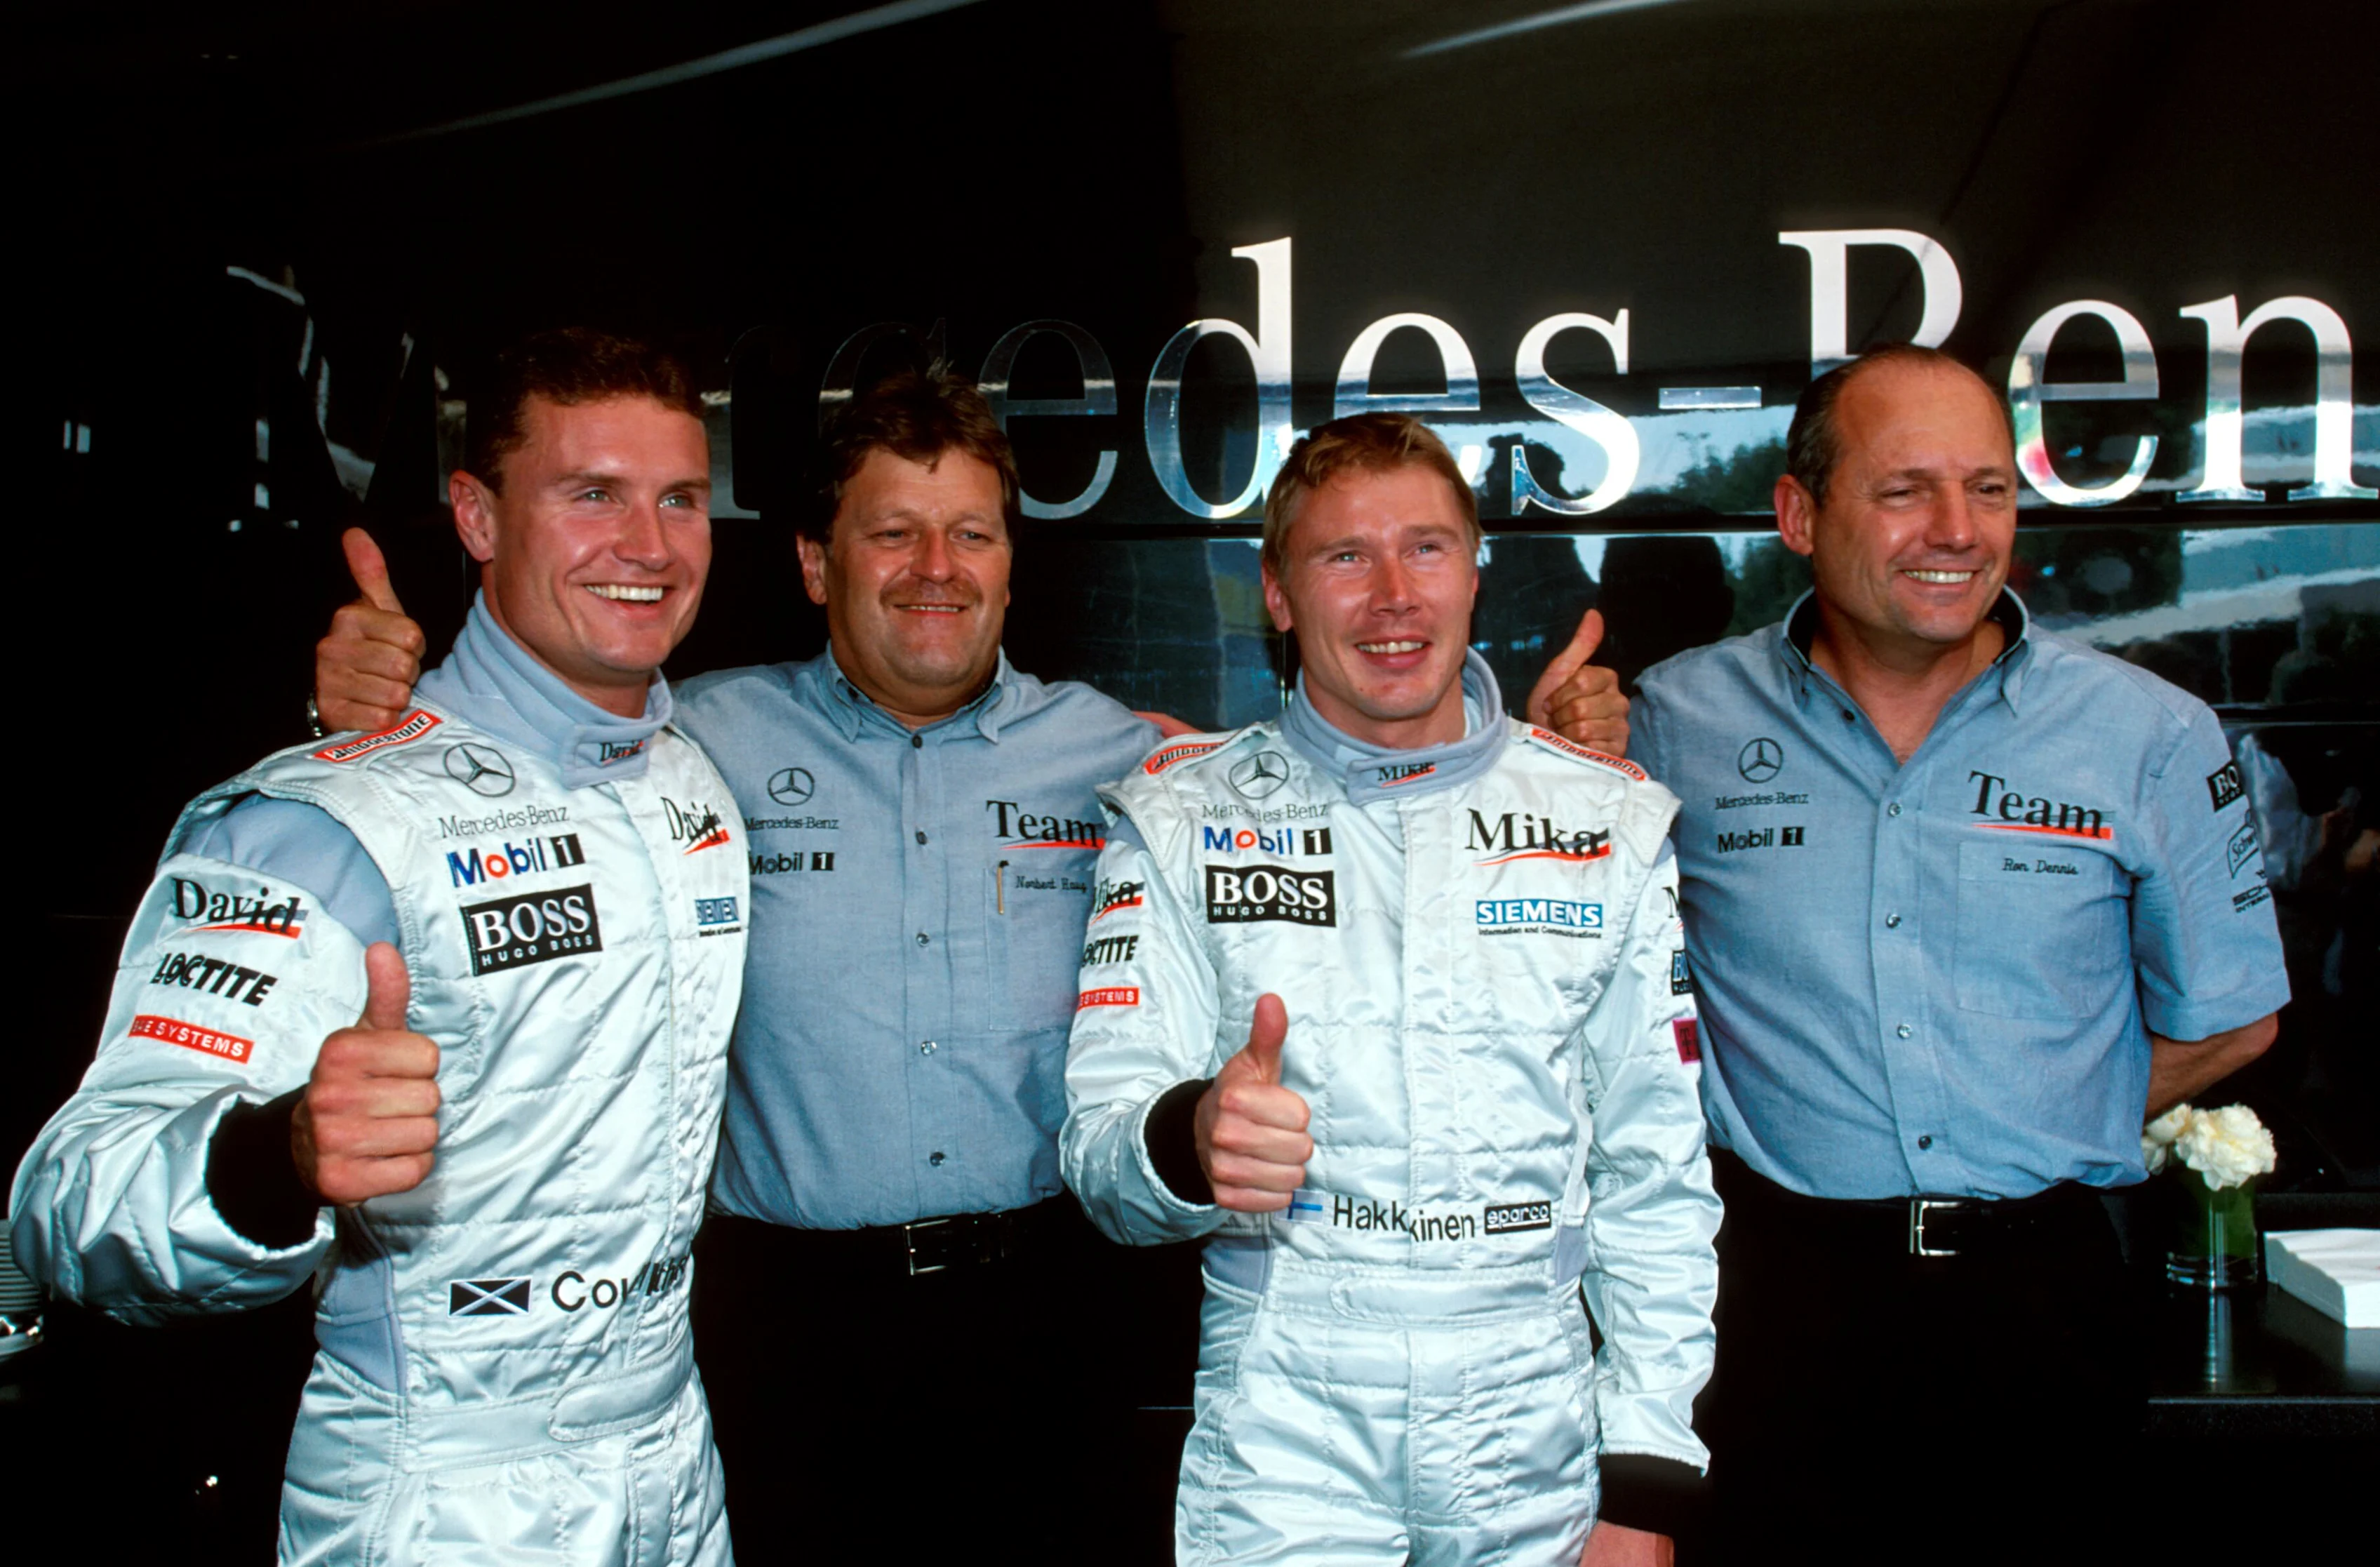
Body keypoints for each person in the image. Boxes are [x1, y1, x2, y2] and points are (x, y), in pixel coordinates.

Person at [316, 367, 1637, 1560]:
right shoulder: (687, 742)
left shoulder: (1127, 757)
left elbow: (1342, 768)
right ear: (818, 564)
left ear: (1013, 566)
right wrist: (379, 691)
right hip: (787, 1333)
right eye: (891, 531)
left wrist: (1526, 742)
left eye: (973, 533)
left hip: (1058, 1317)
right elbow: (520, 766)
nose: (934, 566)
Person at [11, 328, 748, 1565]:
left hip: (677, 1452)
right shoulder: (330, 821)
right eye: (591, 496)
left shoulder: (695, 790)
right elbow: (67, 1204)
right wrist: (273, 1153)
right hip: (440, 1484)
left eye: (679, 498)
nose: (650, 546)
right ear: (476, 516)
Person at [1540, 345, 2290, 1556]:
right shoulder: (1674, 726)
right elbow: (1568, 995)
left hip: (2044, 1302)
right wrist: (1560, 783)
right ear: (1798, 513)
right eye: (1904, 490)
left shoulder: (2148, 734)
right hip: (1770, 1302)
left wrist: (2042, 1113)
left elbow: (2236, 1019)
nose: (1956, 529)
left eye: (1989, 489)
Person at [1062, 412, 1718, 1567]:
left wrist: (1650, 1481)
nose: (1392, 596)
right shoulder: (1178, 819)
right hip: (1286, 1413)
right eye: (1344, 557)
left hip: (1539, 1416)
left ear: (1475, 572)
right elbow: (1103, 1158)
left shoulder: (1604, 818)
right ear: (1277, 592)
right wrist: (1191, 1138)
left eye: (1424, 549)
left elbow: (1655, 1178)